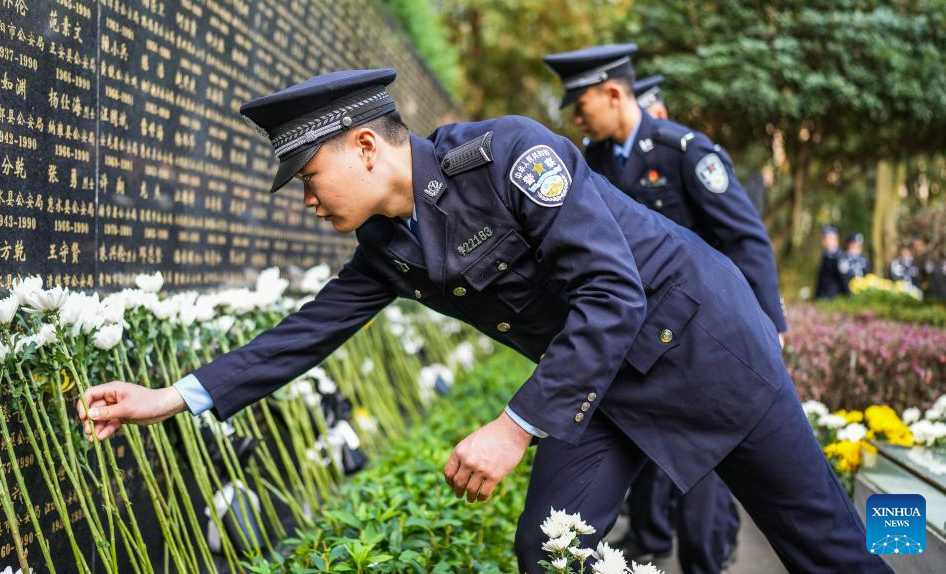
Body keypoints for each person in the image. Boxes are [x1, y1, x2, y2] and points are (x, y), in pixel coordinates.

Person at [77, 69, 889, 574]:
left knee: (829, 551)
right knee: (547, 549)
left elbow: (613, 294)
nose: (307, 197)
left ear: (366, 146)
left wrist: (512, 426)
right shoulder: (387, 244)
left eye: (309, 174)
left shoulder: (509, 156)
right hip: (602, 389)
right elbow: (305, 332)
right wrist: (170, 396)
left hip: (708, 351)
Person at [543, 44, 778, 574]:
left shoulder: (684, 152)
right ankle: (651, 539)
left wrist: (768, 326)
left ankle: (705, 559)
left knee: (705, 473)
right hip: (636, 341)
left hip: (705, 335)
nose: (577, 117)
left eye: (581, 105)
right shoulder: (591, 161)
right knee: (648, 459)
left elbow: (746, 242)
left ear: (613, 93)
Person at [816, 225, 851, 299]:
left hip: (834, 297)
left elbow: (844, 279)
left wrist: (847, 297)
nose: (825, 241)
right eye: (824, 238)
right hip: (823, 297)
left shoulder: (841, 257)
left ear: (835, 239)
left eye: (829, 238)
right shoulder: (826, 255)